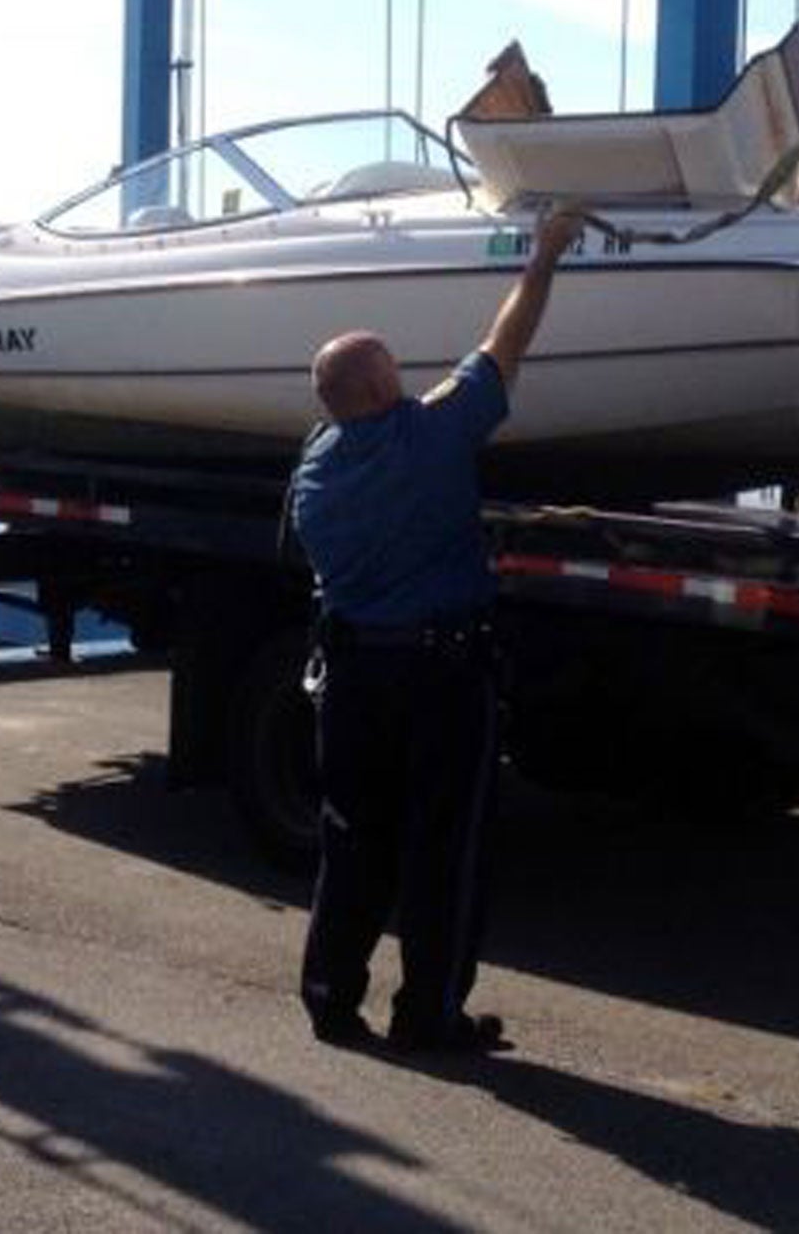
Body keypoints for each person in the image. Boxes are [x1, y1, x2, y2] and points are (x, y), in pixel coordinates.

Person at [291, 207, 584, 1055]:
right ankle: (429, 1015)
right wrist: (546, 255)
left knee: (353, 840)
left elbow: (355, 414)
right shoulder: (430, 434)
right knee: (444, 847)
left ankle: (330, 1000)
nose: (412, 382)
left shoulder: (315, 464)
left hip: (351, 681)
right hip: (436, 678)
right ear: (385, 391)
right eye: (398, 374)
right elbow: (506, 344)